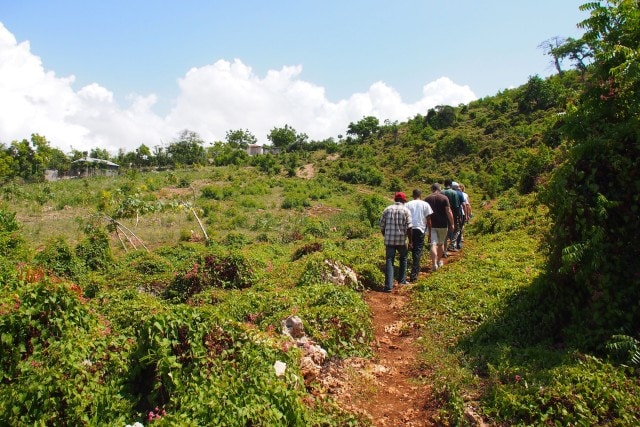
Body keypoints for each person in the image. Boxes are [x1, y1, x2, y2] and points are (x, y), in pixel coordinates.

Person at [379, 192, 412, 292]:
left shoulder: (387, 209)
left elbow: (382, 226)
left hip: (389, 240)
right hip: (401, 240)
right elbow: (409, 228)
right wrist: (410, 241)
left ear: (395, 199)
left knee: (389, 260)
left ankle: (388, 286)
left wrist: (386, 235)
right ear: (403, 200)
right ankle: (401, 281)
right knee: (403, 259)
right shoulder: (406, 210)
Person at [405, 189, 433, 283]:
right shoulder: (425, 204)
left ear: (413, 195)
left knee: (408, 250)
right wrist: (429, 233)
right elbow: (429, 220)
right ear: (420, 195)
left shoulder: (408, 204)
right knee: (417, 252)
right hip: (420, 230)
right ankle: (414, 275)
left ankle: (405, 272)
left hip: (409, 229)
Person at [425, 183, 454, 272]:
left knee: (433, 244)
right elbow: (448, 211)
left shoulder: (427, 199)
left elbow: (425, 214)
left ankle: (433, 264)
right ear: (440, 189)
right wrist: (452, 223)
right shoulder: (444, 198)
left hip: (431, 225)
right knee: (441, 243)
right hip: (442, 224)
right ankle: (438, 261)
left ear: (431, 189)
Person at [442, 179, 463, 254]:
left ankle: (443, 249)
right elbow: (457, 206)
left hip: (442, 216)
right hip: (452, 214)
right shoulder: (454, 193)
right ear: (451, 185)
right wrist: (458, 216)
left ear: (444, 184)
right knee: (457, 230)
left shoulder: (441, 192)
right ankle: (452, 245)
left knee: (444, 231)